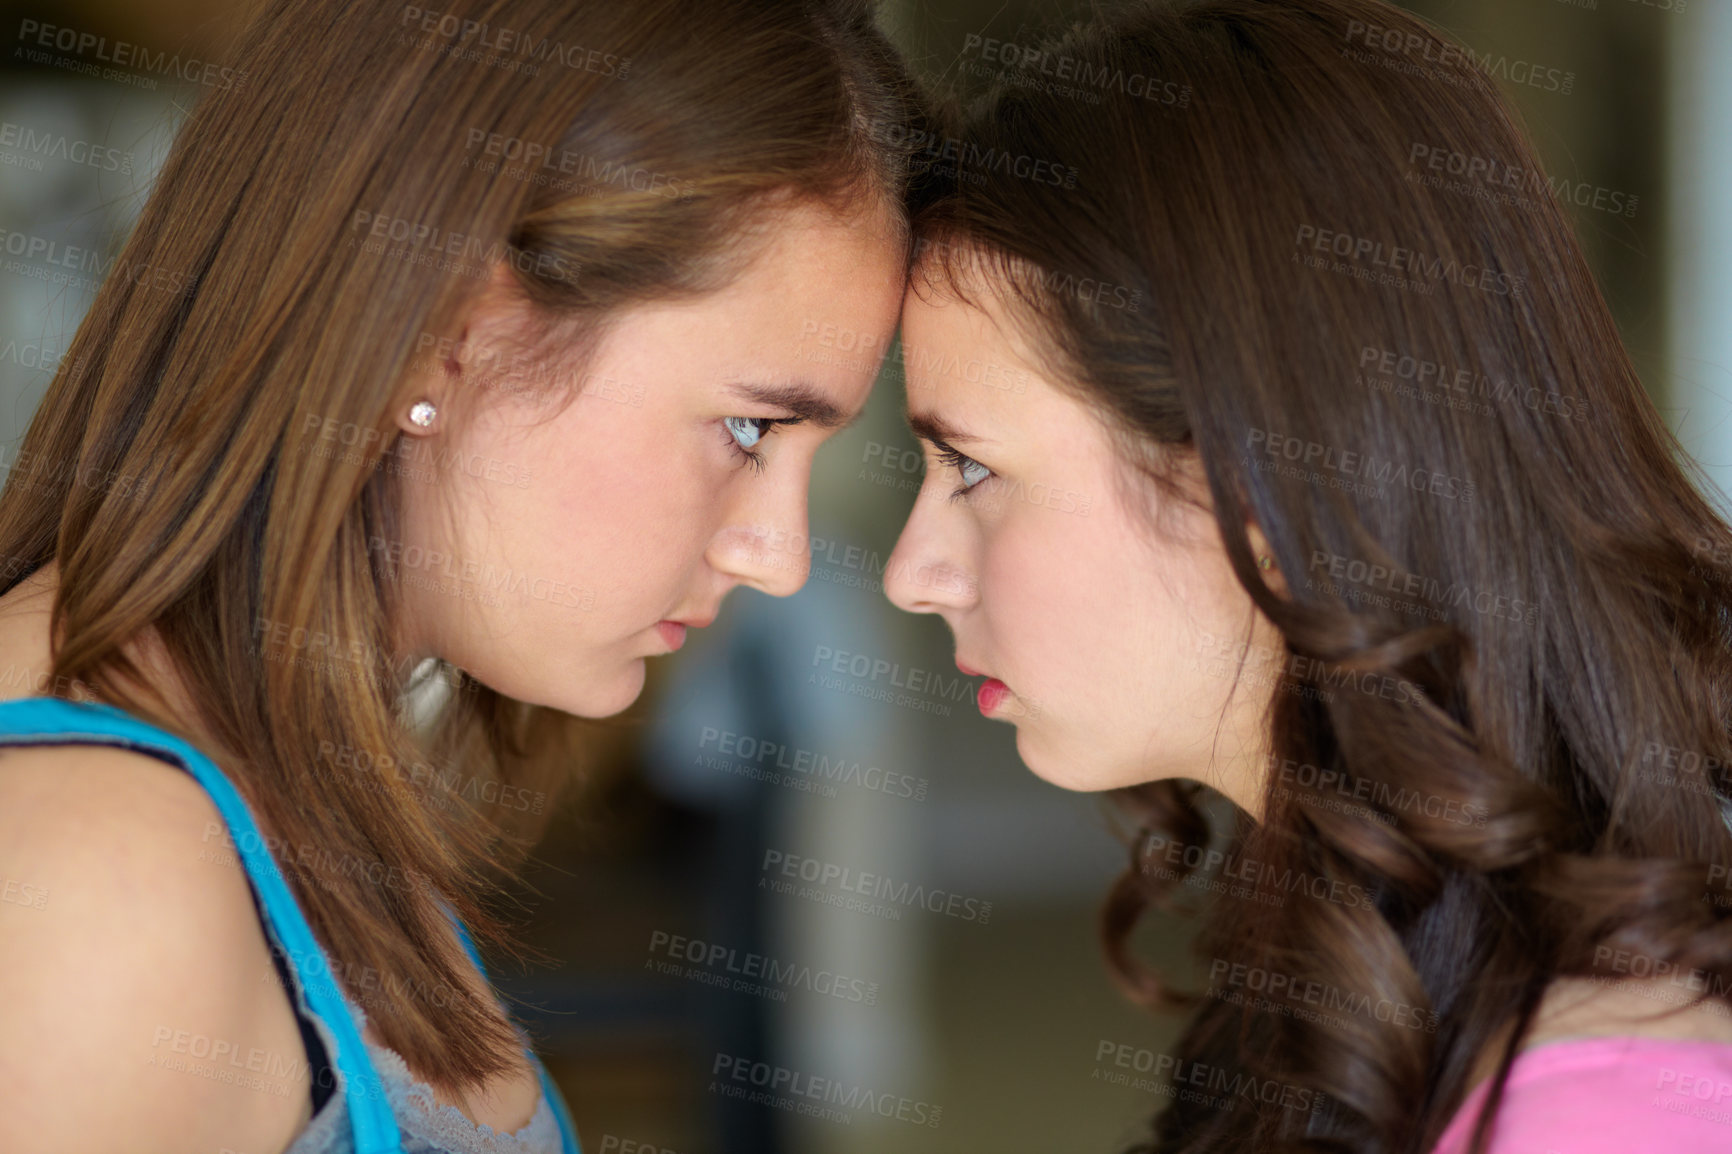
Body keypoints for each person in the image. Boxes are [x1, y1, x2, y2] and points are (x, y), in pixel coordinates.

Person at [0, 0, 924, 1151]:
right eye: (746, 429)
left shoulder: (283, 759)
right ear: (442, 334)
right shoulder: (104, 879)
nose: (777, 557)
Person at [882, 0, 1732, 1150]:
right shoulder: (1367, 964)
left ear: (1254, 480)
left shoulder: (1598, 1113)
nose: (911, 572)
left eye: (971, 466)